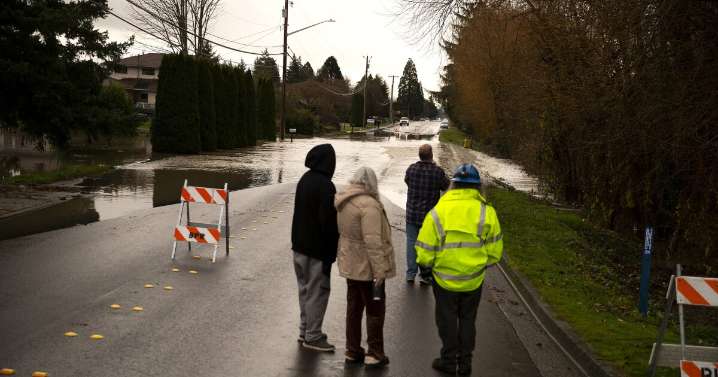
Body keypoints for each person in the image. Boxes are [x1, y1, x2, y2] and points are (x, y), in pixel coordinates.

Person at [415, 164, 503, 376]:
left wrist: (426, 267)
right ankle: (465, 364)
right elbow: (495, 252)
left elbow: (425, 248)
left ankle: (448, 361)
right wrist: (479, 265)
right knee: (467, 320)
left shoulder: (439, 211)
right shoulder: (487, 212)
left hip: (444, 280)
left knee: (446, 321)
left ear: (453, 184)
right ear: (477, 187)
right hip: (473, 280)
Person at [334, 167, 396, 368]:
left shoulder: (344, 200)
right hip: (368, 269)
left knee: (353, 308)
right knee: (375, 310)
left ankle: (352, 350)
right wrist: (380, 272)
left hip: (350, 264)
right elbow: (373, 242)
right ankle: (375, 353)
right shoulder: (369, 205)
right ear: (372, 183)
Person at [291, 144, 340, 352]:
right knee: (318, 293)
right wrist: (331, 252)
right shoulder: (327, 186)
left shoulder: (304, 180)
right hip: (316, 250)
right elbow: (328, 223)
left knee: (304, 291)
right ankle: (313, 336)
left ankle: (304, 331)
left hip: (298, 246)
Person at [404, 144, 450, 284]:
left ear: (419, 155)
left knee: (411, 243)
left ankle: (410, 274)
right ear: (431, 155)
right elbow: (446, 185)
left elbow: (407, 181)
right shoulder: (437, 172)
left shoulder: (411, 169)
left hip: (412, 214)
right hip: (429, 217)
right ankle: (425, 275)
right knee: (428, 245)